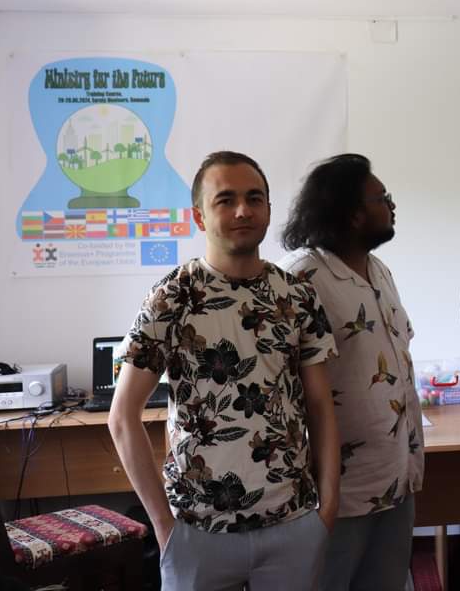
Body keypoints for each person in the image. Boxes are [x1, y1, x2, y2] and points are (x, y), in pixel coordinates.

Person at [108, 151, 340, 591]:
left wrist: (328, 507)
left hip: (291, 524)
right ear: (199, 215)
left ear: (268, 208)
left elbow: (320, 404)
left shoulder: (296, 296)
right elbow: (122, 417)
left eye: (254, 198)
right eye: (225, 199)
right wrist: (164, 526)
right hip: (196, 531)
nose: (242, 210)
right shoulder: (172, 298)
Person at [278, 154, 423, 591]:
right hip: (336, 493)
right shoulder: (302, 279)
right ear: (352, 213)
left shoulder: (379, 271)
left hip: (395, 476)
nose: (391, 205)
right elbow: (284, 386)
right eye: (382, 198)